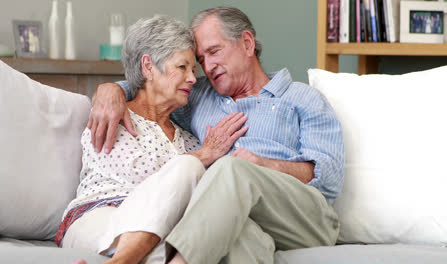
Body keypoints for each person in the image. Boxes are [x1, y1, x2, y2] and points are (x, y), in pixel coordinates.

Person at [90, 6, 344, 264]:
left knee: (232, 168)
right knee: (242, 238)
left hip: (303, 218)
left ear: (246, 43)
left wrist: (264, 166)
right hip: (233, 214)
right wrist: (110, 90)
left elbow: (329, 177)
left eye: (214, 51)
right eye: (201, 60)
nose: (207, 67)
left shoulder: (302, 97)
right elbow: (149, 86)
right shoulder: (198, 97)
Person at [57, 14, 247, 264]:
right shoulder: (112, 117)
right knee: (188, 168)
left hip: (159, 228)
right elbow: (141, 179)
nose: (192, 78)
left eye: (193, 69)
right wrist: (201, 158)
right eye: (182, 67)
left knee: (174, 250)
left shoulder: (190, 140)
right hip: (99, 216)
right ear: (148, 67)